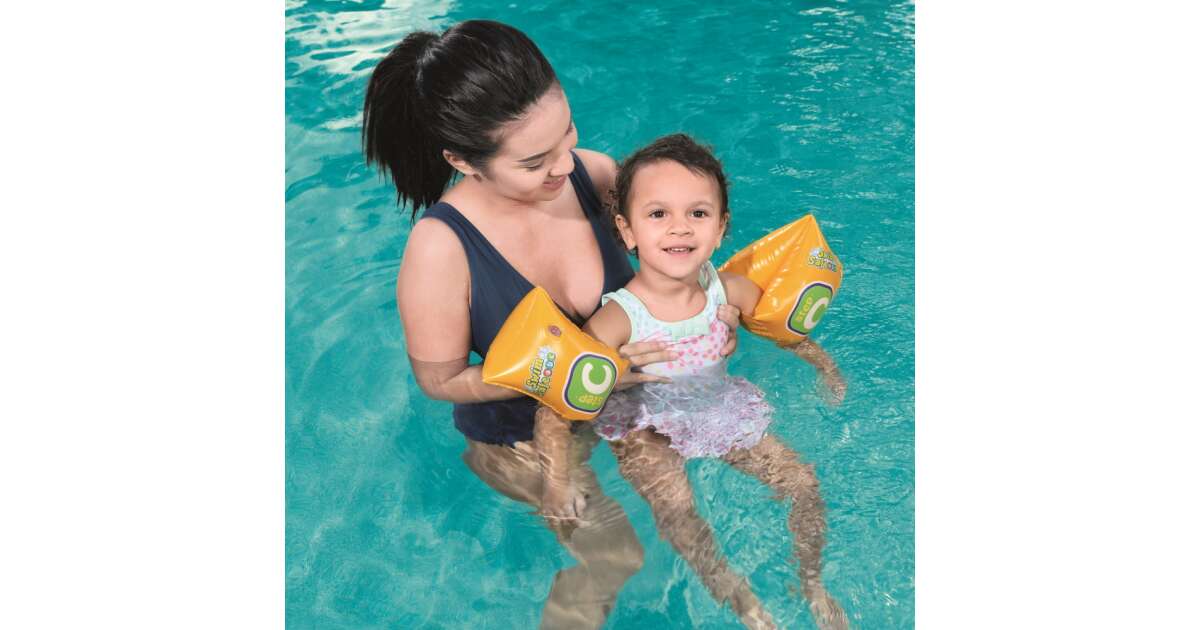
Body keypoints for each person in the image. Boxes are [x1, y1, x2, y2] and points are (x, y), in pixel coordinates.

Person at [360, 20, 743, 629]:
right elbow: (440, 381)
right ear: (463, 161)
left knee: (710, 524)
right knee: (617, 558)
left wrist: (715, 314)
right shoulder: (441, 249)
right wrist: (576, 372)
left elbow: (671, 264)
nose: (565, 163)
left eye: (567, 131)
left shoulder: (595, 177)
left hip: (624, 410)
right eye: (535, 161)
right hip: (520, 442)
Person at [534, 134, 850, 630]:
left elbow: (781, 330)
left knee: (802, 482)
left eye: (698, 213)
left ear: (721, 228)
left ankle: (810, 582)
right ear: (627, 231)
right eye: (658, 214)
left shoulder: (729, 291)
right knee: (679, 511)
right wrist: (557, 480)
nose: (679, 227)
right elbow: (557, 401)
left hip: (713, 408)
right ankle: (747, 606)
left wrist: (822, 363)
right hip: (646, 427)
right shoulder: (619, 318)